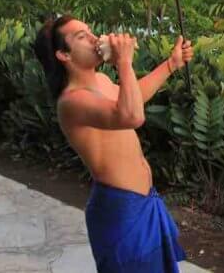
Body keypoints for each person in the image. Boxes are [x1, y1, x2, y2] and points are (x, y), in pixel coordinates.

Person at [33, 14, 194, 273]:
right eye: (82, 36)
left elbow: (134, 99)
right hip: (120, 211)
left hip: (143, 203)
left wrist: (171, 64)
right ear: (64, 54)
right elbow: (131, 116)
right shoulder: (71, 102)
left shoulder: (102, 82)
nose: (95, 38)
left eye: (90, 30)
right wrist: (124, 63)